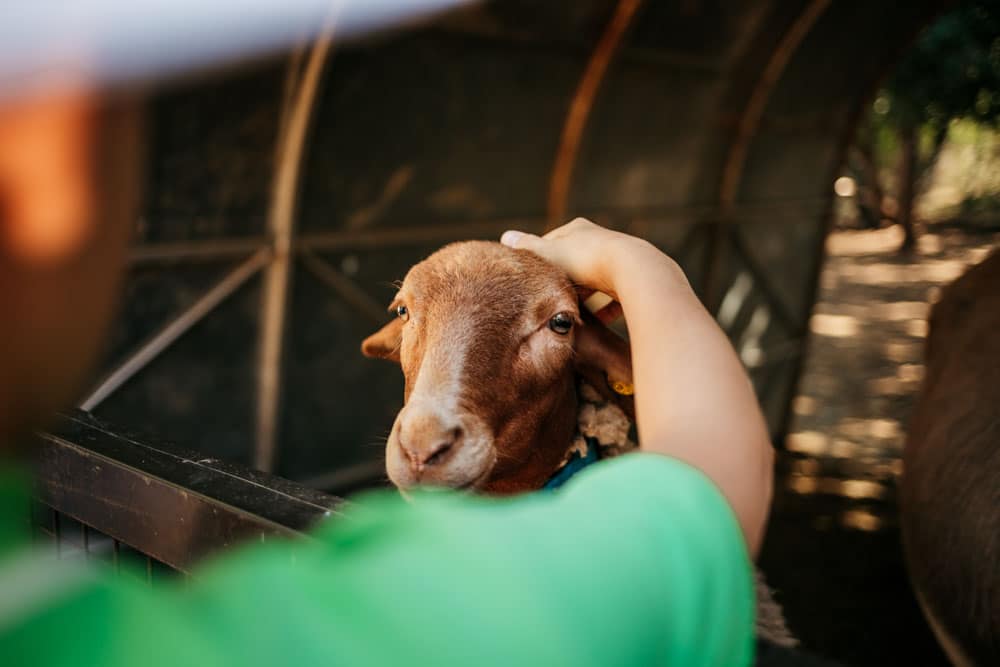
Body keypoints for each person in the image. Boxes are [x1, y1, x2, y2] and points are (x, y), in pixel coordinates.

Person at [0, 94, 773, 666]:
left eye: (556, 327)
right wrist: (645, 270)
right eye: (409, 313)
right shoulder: (476, 614)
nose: (427, 419)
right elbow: (714, 480)